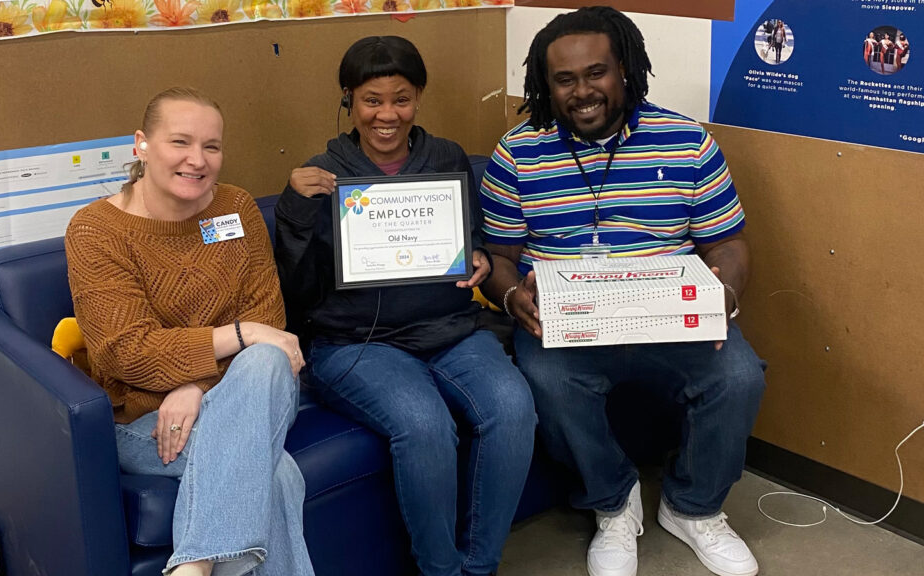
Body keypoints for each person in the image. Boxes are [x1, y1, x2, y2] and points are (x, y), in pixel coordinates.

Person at [479, 8, 765, 576]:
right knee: (548, 379)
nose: (583, 91)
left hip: (670, 316)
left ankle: (693, 509)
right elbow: (498, 260)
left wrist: (723, 297)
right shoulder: (517, 152)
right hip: (569, 320)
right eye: (565, 80)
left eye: (597, 73)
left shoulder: (687, 142)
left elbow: (727, 244)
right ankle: (613, 504)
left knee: (739, 376)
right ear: (546, 84)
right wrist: (512, 297)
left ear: (626, 71)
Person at [274, 36, 536, 576]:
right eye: (372, 100)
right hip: (356, 343)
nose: (387, 115)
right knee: (423, 424)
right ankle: (440, 569)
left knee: (513, 408)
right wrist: (295, 211)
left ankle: (480, 566)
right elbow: (295, 293)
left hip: (451, 328)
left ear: (418, 97)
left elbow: (473, 240)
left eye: (401, 98)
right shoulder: (321, 175)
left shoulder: (446, 158)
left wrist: (481, 259)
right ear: (349, 100)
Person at [65, 87, 314, 576]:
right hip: (143, 420)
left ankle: (195, 564)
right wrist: (236, 336)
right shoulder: (96, 230)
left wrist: (196, 385)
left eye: (212, 147)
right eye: (180, 142)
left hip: (248, 393)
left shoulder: (236, 209)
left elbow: (269, 323)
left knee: (266, 358)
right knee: (279, 476)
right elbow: (123, 352)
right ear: (141, 144)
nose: (197, 160)